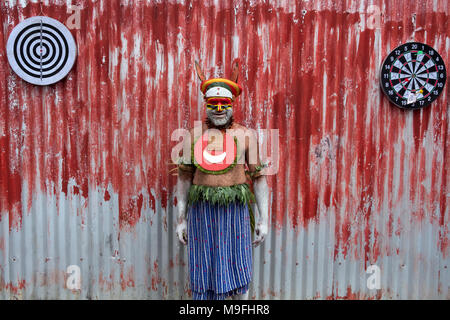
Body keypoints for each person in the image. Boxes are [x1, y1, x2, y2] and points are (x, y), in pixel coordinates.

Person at [175, 61, 269, 300]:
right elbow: (184, 178)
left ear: (232, 105)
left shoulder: (246, 135)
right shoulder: (193, 136)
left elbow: (259, 179)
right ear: (205, 106)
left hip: (235, 213)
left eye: (224, 104)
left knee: (238, 267)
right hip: (201, 214)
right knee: (202, 268)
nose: (218, 109)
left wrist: (263, 220)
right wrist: (180, 220)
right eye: (212, 104)